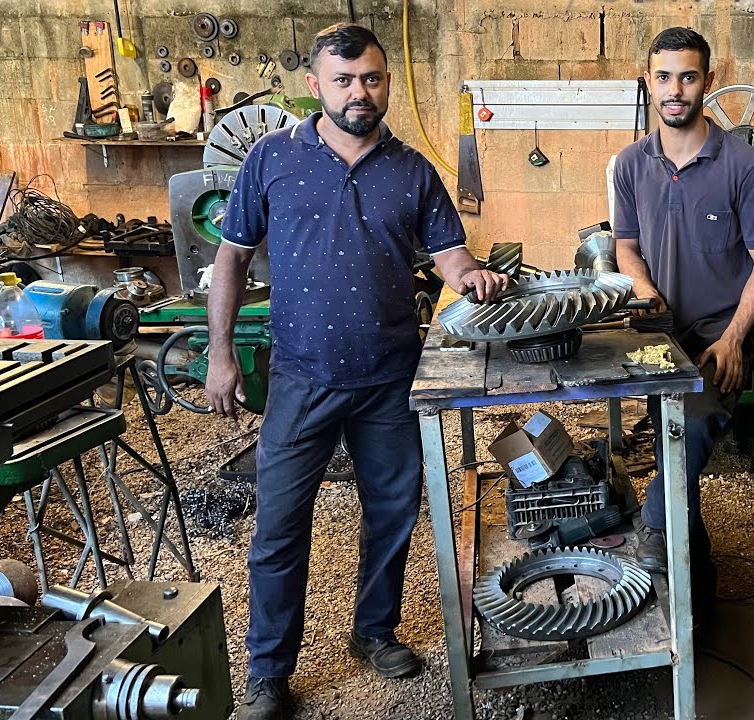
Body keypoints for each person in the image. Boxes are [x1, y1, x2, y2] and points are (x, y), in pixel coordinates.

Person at [206, 23, 508, 720]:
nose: (359, 92)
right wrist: (220, 356)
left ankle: (374, 632)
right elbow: (231, 258)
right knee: (279, 528)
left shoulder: (411, 169)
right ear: (316, 86)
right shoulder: (272, 158)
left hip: (389, 378)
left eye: (371, 78)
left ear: (386, 83)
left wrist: (475, 278)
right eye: (343, 80)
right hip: (301, 377)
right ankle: (269, 673)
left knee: (392, 514)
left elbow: (449, 258)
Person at [611, 27, 754, 614]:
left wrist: (736, 337)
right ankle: (697, 591)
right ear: (648, 82)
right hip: (658, 332)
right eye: (663, 77)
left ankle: (655, 533)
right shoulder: (631, 164)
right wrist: (641, 285)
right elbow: (625, 247)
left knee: (691, 429)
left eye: (687, 77)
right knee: (670, 446)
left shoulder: (744, 164)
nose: (675, 89)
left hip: (718, 336)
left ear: (708, 81)